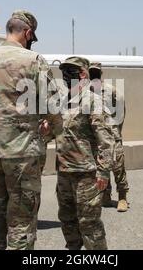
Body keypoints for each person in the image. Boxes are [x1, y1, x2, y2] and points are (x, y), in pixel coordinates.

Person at [0, 10, 62, 250]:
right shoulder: (34, 60)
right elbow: (54, 108)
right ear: (27, 33)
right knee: (21, 223)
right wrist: (50, 134)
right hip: (24, 158)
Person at [56, 56, 114, 250]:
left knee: (89, 222)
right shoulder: (64, 102)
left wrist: (104, 171)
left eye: (70, 71)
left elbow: (105, 140)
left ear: (83, 74)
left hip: (86, 174)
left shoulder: (93, 101)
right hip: (64, 171)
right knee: (67, 218)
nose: (65, 75)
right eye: (63, 71)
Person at [89, 62, 129, 212]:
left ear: (101, 73)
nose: (94, 74)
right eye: (91, 72)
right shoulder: (86, 92)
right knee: (100, 166)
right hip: (95, 137)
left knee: (118, 166)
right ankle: (105, 197)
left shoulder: (112, 91)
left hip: (112, 134)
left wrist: (115, 132)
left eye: (96, 72)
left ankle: (122, 197)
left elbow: (121, 113)